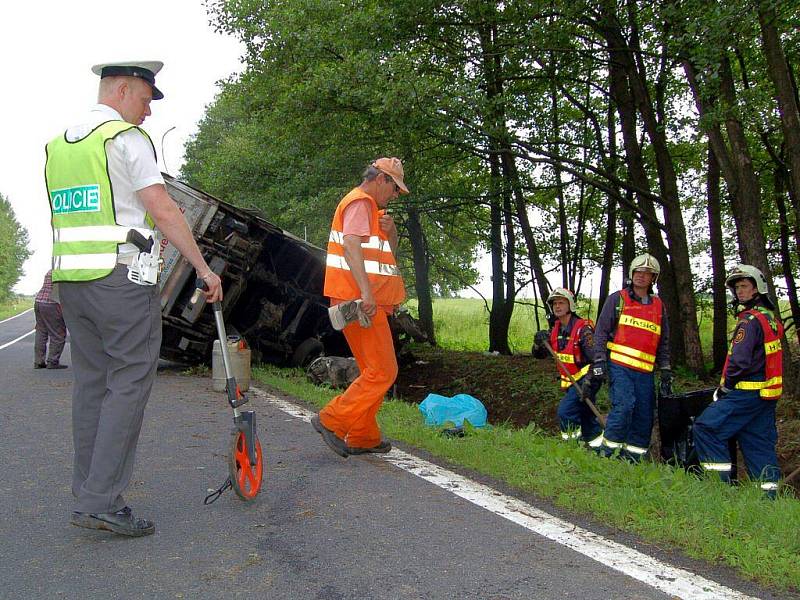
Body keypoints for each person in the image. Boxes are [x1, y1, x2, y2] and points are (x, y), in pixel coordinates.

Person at [44, 61, 222, 536]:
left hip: (72, 281)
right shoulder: (124, 139)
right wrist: (204, 269)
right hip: (120, 281)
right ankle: (101, 500)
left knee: (92, 386)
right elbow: (162, 209)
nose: (146, 113)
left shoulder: (58, 146)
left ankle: (89, 493)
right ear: (122, 89)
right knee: (130, 380)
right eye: (144, 100)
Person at [311, 158, 408, 457]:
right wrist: (366, 294)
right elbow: (351, 245)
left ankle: (364, 436)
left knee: (372, 371)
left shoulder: (370, 210)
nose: (395, 195)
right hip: (363, 303)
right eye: (394, 188)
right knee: (383, 371)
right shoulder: (361, 203)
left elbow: (382, 255)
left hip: (361, 301)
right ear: (381, 179)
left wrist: (390, 233)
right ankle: (332, 420)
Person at [693, 265, 782, 499]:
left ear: (757, 289)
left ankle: (719, 490)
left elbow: (740, 361)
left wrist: (725, 388)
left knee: (706, 428)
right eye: (737, 287)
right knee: (757, 442)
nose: (740, 292)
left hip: (745, 392)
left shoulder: (749, 321)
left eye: (744, 286)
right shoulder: (770, 319)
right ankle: (768, 500)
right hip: (765, 396)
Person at [591, 253, 672, 461]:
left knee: (644, 416)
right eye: (638, 272)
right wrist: (599, 361)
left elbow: (663, 341)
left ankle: (632, 460)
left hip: (645, 373)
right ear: (631, 274)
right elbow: (600, 332)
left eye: (647, 273)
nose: (641, 276)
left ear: (653, 278)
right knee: (624, 406)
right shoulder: (617, 299)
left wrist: (665, 370)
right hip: (620, 367)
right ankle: (606, 455)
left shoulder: (658, 306)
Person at [533, 288, 603, 447]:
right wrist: (537, 343)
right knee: (587, 416)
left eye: (561, 303)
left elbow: (597, 359)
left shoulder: (583, 329)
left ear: (570, 305)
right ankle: (599, 449)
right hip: (572, 382)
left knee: (566, 412)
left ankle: (572, 448)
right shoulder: (555, 330)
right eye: (555, 303)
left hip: (587, 380)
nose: (557, 306)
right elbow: (540, 355)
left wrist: (589, 383)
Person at [33, 269, 68, 369]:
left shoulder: (51, 270)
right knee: (58, 334)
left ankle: (38, 361)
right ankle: (53, 361)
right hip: (52, 304)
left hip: (39, 301)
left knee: (41, 331)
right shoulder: (64, 272)